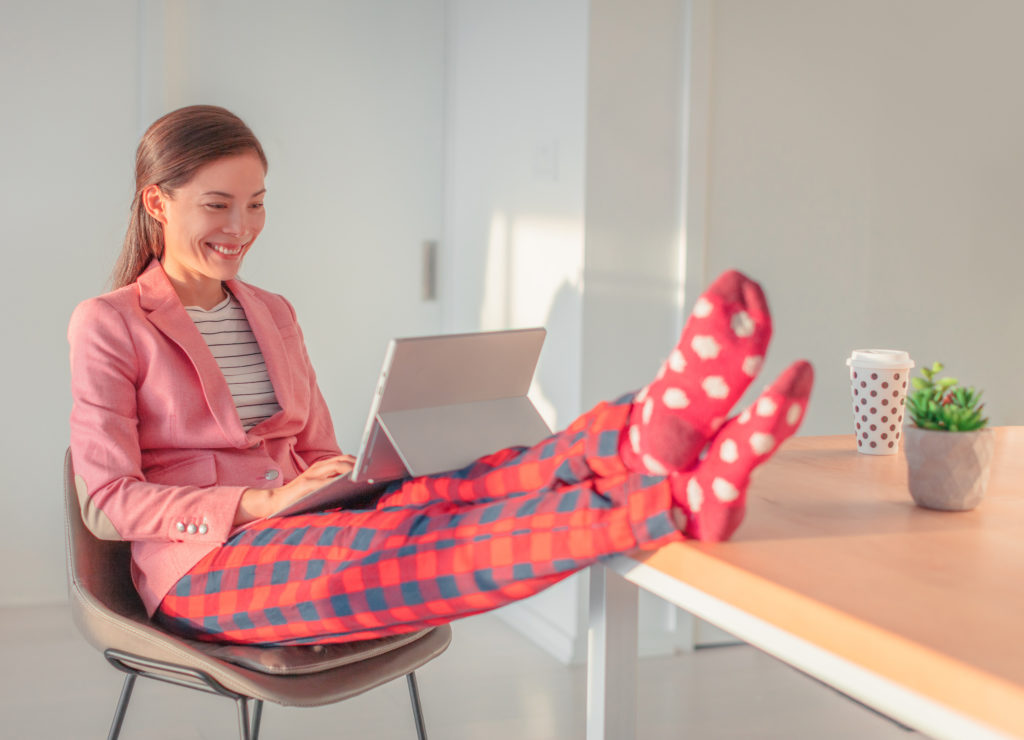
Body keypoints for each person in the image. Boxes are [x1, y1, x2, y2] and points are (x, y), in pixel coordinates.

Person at [68, 105, 814, 646]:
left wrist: (342, 478)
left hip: (304, 520)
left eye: (257, 204)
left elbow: (319, 447)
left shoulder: (273, 311)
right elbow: (106, 502)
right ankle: (671, 500)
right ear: (158, 203)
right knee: (413, 548)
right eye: (218, 205)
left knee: (461, 483)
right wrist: (258, 503)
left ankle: (643, 434)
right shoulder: (109, 322)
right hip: (203, 567)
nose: (242, 227)